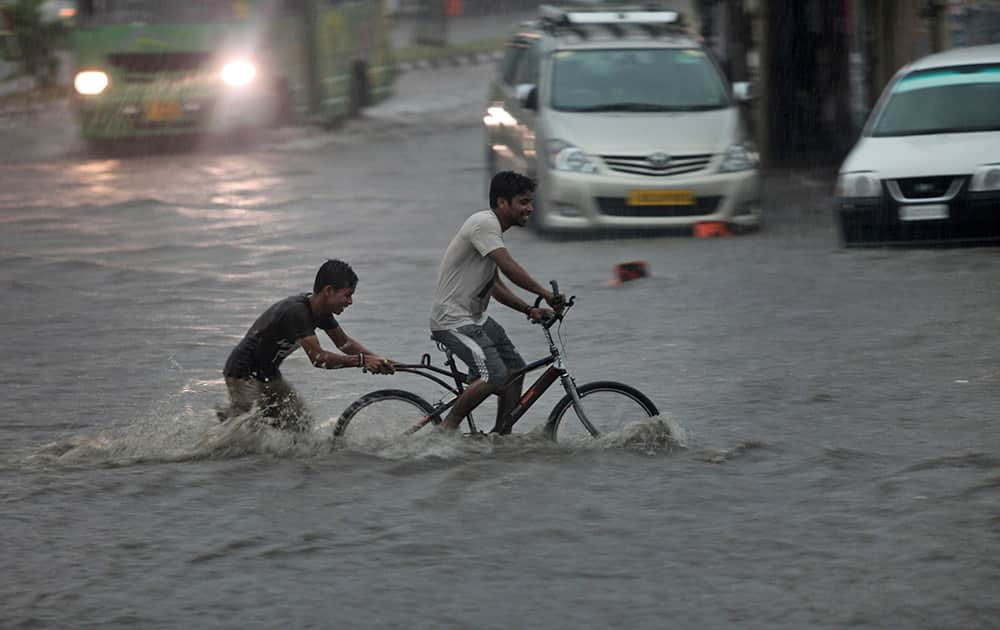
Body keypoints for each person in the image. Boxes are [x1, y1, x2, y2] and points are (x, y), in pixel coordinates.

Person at [430, 171, 563, 434]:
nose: (530, 208)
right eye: (523, 202)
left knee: (515, 370)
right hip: (453, 320)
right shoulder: (484, 224)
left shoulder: (491, 234)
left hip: (475, 319)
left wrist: (529, 309)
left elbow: (496, 286)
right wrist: (545, 293)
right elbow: (509, 267)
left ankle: (500, 438)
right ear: (502, 203)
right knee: (495, 374)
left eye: (530, 202)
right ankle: (445, 430)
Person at [219, 259, 394, 430]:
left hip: (269, 374)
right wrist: (363, 361)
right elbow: (318, 358)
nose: (350, 302)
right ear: (328, 290)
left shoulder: (321, 311)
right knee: (251, 432)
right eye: (347, 295)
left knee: (300, 424)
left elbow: (344, 343)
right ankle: (221, 431)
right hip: (242, 373)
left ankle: (233, 420)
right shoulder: (297, 312)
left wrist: (379, 359)